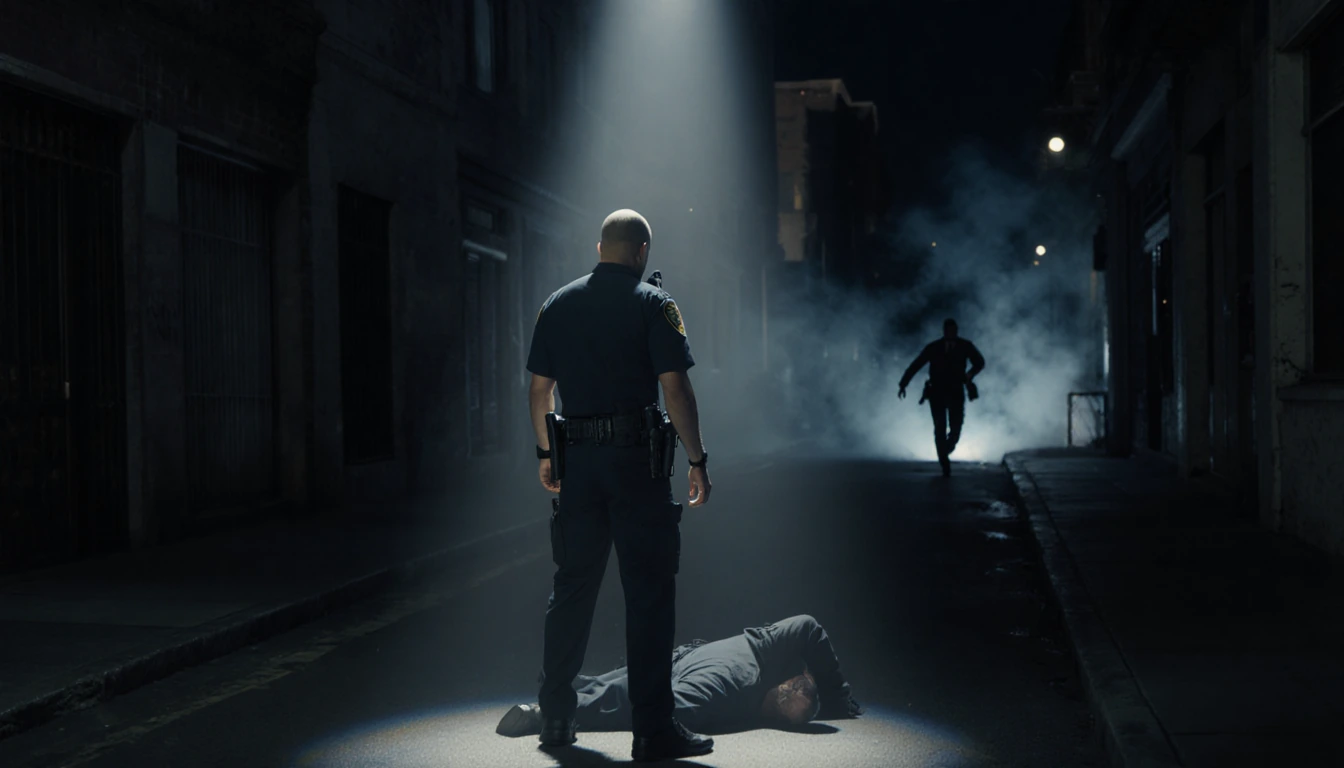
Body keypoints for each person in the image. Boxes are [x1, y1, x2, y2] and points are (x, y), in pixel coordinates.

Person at [526, 209, 715, 763]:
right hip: (637, 465)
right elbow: (675, 388)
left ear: (600, 246)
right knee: (648, 595)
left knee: (572, 589)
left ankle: (557, 717)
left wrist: (546, 454)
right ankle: (652, 731)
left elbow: (540, 391)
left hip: (578, 466)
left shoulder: (556, 304)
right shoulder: (656, 305)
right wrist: (698, 459)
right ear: (642, 252)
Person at [496, 615, 863, 738]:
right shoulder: (732, 686)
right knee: (621, 690)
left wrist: (837, 696)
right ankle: (559, 702)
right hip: (691, 665)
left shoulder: (758, 658)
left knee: (623, 689)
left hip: (692, 665)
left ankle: (558, 702)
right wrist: (836, 696)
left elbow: (808, 627)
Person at [898, 318, 985, 477]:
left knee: (956, 426)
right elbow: (916, 365)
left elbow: (980, 362)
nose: (951, 333)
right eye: (948, 331)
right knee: (939, 427)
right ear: (944, 331)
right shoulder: (934, 347)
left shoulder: (965, 346)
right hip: (937, 392)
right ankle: (944, 461)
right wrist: (903, 384)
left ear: (956, 331)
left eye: (953, 330)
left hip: (956, 391)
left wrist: (969, 375)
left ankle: (947, 448)